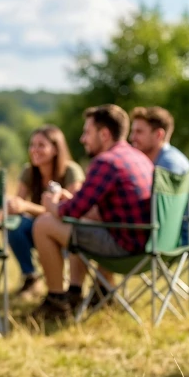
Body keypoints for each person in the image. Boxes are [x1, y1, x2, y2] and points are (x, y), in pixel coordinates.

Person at [31, 104, 154, 318]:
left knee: (43, 224)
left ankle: (56, 302)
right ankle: (76, 292)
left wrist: (51, 204)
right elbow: (88, 208)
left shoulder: (106, 161)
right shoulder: (138, 157)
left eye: (87, 132)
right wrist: (68, 203)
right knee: (81, 225)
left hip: (124, 247)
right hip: (148, 243)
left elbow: (69, 212)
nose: (82, 139)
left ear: (104, 134)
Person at [5, 125, 84, 297]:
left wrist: (28, 207)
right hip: (37, 228)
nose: (34, 150)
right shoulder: (29, 171)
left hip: (62, 229)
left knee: (41, 223)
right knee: (14, 225)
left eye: (41, 145)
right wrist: (13, 206)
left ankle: (64, 288)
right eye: (32, 145)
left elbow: (74, 211)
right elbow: (18, 204)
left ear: (56, 149)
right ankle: (30, 277)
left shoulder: (71, 171)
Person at [129, 106, 189, 245]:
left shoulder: (168, 166)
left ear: (159, 135)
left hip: (177, 238)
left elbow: (156, 214)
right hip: (174, 236)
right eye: (132, 132)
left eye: (139, 132)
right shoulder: (166, 159)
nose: (132, 138)